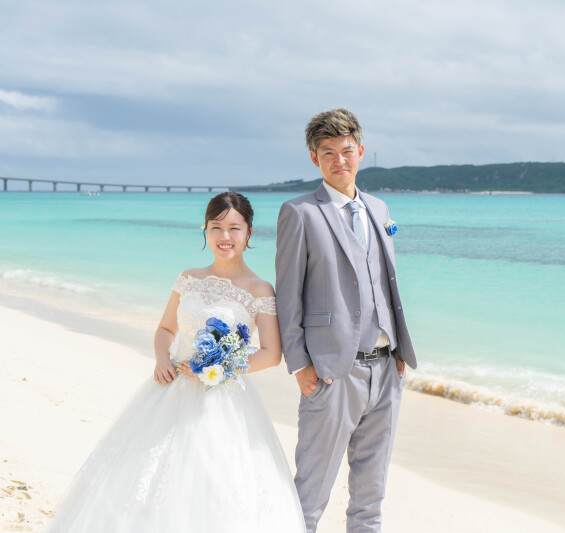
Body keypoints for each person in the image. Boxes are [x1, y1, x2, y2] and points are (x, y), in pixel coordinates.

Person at [47, 192, 305, 532]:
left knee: (214, 479)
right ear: (205, 231)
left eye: (234, 228)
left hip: (223, 399)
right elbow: (166, 329)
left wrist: (221, 368)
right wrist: (160, 359)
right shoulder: (188, 277)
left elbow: (271, 354)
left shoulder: (260, 289)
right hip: (169, 391)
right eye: (216, 227)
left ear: (249, 233)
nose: (224, 237)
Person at [275, 108, 417, 533]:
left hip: (386, 368)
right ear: (314, 158)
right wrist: (299, 363)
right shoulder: (300, 212)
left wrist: (399, 350)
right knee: (310, 495)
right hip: (333, 373)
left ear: (361, 151)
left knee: (370, 498)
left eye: (347, 151)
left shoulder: (378, 207)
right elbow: (288, 293)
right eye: (328, 152)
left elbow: (385, 282)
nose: (340, 161)